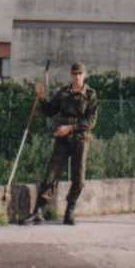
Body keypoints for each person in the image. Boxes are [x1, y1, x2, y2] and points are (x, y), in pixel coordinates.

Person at [22, 63, 98, 226]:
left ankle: (69, 211)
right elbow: (50, 110)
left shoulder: (90, 95)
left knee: (79, 179)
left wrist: (70, 128)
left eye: (80, 73)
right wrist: (41, 97)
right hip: (62, 139)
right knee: (51, 175)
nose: (77, 77)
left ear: (84, 75)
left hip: (80, 139)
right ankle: (38, 211)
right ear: (70, 75)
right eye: (74, 73)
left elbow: (90, 121)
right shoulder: (63, 93)